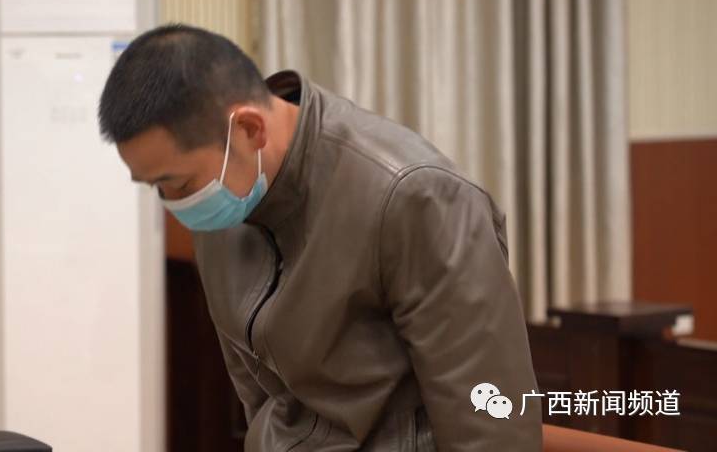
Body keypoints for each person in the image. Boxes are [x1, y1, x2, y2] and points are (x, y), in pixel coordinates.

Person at [98, 24, 541, 451]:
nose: (175, 204)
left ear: (249, 129)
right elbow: (257, 395)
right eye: (155, 187)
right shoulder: (223, 202)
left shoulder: (413, 196)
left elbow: (491, 423)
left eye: (178, 184)